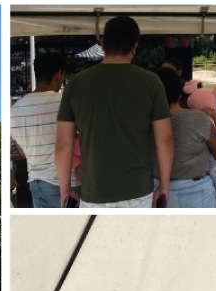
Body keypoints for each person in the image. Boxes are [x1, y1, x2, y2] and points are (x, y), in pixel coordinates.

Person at [57, 16, 173, 208]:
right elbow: (165, 140)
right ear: (135, 47)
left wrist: (65, 189)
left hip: (94, 192)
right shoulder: (151, 82)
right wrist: (164, 186)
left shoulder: (75, 84)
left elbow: (63, 145)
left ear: (102, 44)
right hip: (138, 191)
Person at [153, 68, 216, 208]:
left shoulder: (147, 122)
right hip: (197, 192)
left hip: (158, 193)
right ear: (180, 92)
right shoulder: (199, 118)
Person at [10, 54, 71, 208]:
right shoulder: (65, 103)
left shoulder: (15, 110)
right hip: (68, 184)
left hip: (36, 183)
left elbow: (23, 152)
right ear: (59, 75)